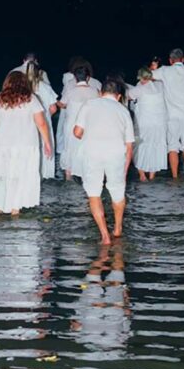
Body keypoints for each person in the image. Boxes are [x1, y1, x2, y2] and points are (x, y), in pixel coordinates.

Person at [0, 71, 52, 215]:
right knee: (21, 175)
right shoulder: (31, 98)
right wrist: (47, 142)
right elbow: (41, 123)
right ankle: (15, 209)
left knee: (1, 174)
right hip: (26, 145)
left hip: (2, 143)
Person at [73, 78, 134, 244]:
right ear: (119, 96)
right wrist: (126, 168)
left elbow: (77, 132)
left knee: (94, 193)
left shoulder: (89, 104)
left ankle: (105, 236)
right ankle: (118, 228)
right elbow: (129, 146)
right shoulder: (123, 111)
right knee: (117, 190)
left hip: (92, 152)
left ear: (100, 92)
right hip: (116, 153)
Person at [152, 48, 184, 178]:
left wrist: (154, 66)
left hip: (171, 114)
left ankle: (175, 176)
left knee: (173, 146)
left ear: (170, 60)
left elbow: (148, 75)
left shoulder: (165, 71)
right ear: (182, 59)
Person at [59, 65, 99, 179]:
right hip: (89, 125)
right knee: (86, 150)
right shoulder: (95, 91)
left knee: (70, 149)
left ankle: (68, 176)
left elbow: (62, 103)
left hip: (72, 125)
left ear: (75, 78)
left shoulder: (71, 91)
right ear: (87, 78)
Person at [127, 67, 167, 180]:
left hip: (144, 123)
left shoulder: (139, 88)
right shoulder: (160, 86)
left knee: (141, 146)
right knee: (156, 146)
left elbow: (128, 96)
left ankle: (142, 175)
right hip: (159, 123)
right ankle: (152, 175)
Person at [57, 58, 101, 154]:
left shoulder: (70, 85)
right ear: (88, 76)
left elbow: (62, 104)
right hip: (90, 123)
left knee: (71, 151)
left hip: (72, 123)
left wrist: (56, 101)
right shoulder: (96, 86)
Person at [27, 61, 59, 179]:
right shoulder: (45, 87)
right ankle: (47, 176)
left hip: (28, 123)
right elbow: (53, 108)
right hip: (44, 122)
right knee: (46, 149)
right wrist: (45, 116)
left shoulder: (24, 88)